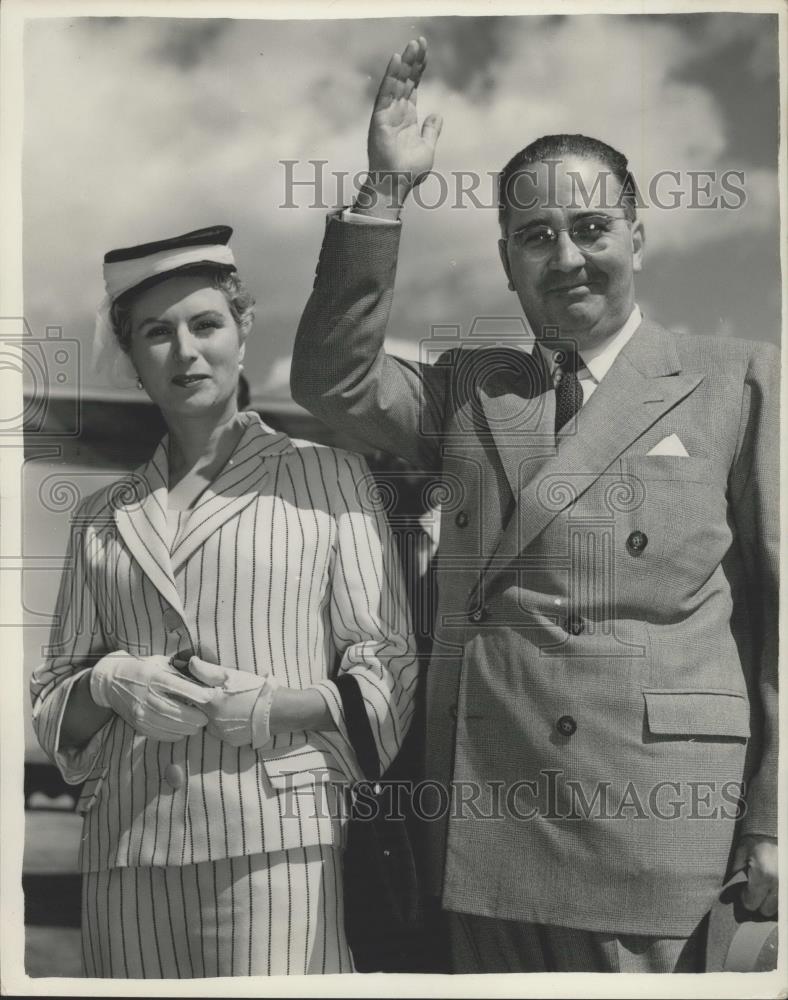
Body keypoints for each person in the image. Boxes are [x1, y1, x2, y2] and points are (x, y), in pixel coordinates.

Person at [290, 38, 778, 973]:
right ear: (507, 258)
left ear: (638, 234)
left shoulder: (742, 381)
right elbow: (333, 380)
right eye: (536, 237)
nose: (568, 258)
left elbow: (784, 623)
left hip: (655, 836)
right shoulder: (471, 390)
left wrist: (775, 816)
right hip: (486, 835)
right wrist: (384, 192)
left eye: (592, 228)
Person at [30, 225, 418, 977]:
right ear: (134, 358)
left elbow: (387, 672)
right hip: (124, 850)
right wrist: (108, 683)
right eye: (157, 334)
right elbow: (53, 704)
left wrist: (276, 707)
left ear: (243, 328)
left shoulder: (331, 477)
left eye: (205, 323)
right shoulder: (101, 516)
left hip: (278, 844)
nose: (185, 351)